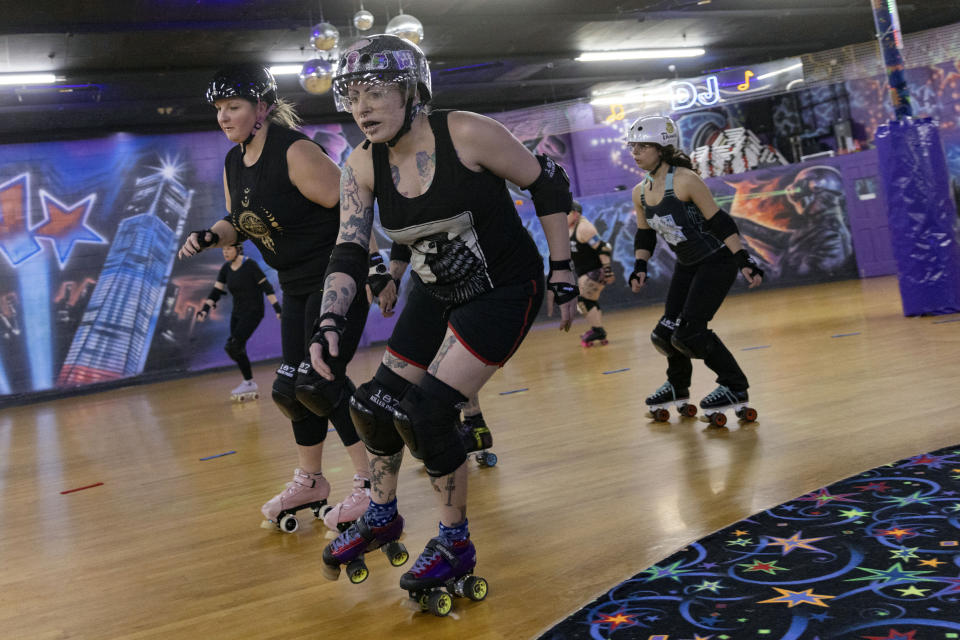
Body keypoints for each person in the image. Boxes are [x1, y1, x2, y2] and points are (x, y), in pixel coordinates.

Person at [309, 35, 578, 610]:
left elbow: (547, 182)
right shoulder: (359, 163)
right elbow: (348, 248)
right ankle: (382, 515)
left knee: (427, 412)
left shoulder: (468, 134)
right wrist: (330, 319)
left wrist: (562, 269)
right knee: (371, 405)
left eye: (376, 90)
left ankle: (455, 541)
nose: (363, 106)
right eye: (353, 93)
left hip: (505, 289)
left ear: (413, 91)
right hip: (435, 291)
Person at [178, 64, 399, 534]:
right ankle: (312, 480)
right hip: (296, 284)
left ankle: (370, 481)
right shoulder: (234, 161)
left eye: (233, 107)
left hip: (335, 275)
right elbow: (238, 221)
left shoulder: (294, 151)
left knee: (322, 383)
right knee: (291, 390)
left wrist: (376, 269)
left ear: (261, 108)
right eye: (218, 109)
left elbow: (352, 205)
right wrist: (209, 236)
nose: (223, 117)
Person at [626, 115, 763, 426]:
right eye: (632, 146)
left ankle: (734, 386)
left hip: (717, 261)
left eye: (642, 146)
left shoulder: (685, 180)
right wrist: (639, 266)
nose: (635, 152)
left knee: (690, 333)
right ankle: (678, 386)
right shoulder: (640, 191)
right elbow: (645, 233)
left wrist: (743, 259)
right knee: (664, 334)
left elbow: (720, 222)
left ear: (662, 148)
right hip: (687, 264)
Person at [387, 242, 496, 466]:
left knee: (447, 357)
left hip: (454, 282)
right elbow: (401, 242)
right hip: (437, 281)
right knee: (442, 358)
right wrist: (392, 280)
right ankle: (469, 426)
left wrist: (393, 279)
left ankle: (471, 426)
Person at [195, 242, 282, 402]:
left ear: (238, 249)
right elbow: (216, 291)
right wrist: (204, 310)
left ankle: (248, 382)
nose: (225, 252)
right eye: (224, 249)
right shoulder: (226, 269)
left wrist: (277, 308)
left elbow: (267, 288)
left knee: (233, 346)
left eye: (229, 248)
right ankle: (248, 381)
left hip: (253, 312)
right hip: (237, 314)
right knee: (235, 348)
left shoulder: (250, 265)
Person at [568, 200, 616, 347]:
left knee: (583, 301)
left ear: (575, 214)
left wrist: (607, 271)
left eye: (565, 214)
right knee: (590, 300)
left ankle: (598, 330)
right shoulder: (570, 226)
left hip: (595, 270)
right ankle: (597, 329)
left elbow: (603, 248)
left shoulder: (584, 227)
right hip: (585, 271)